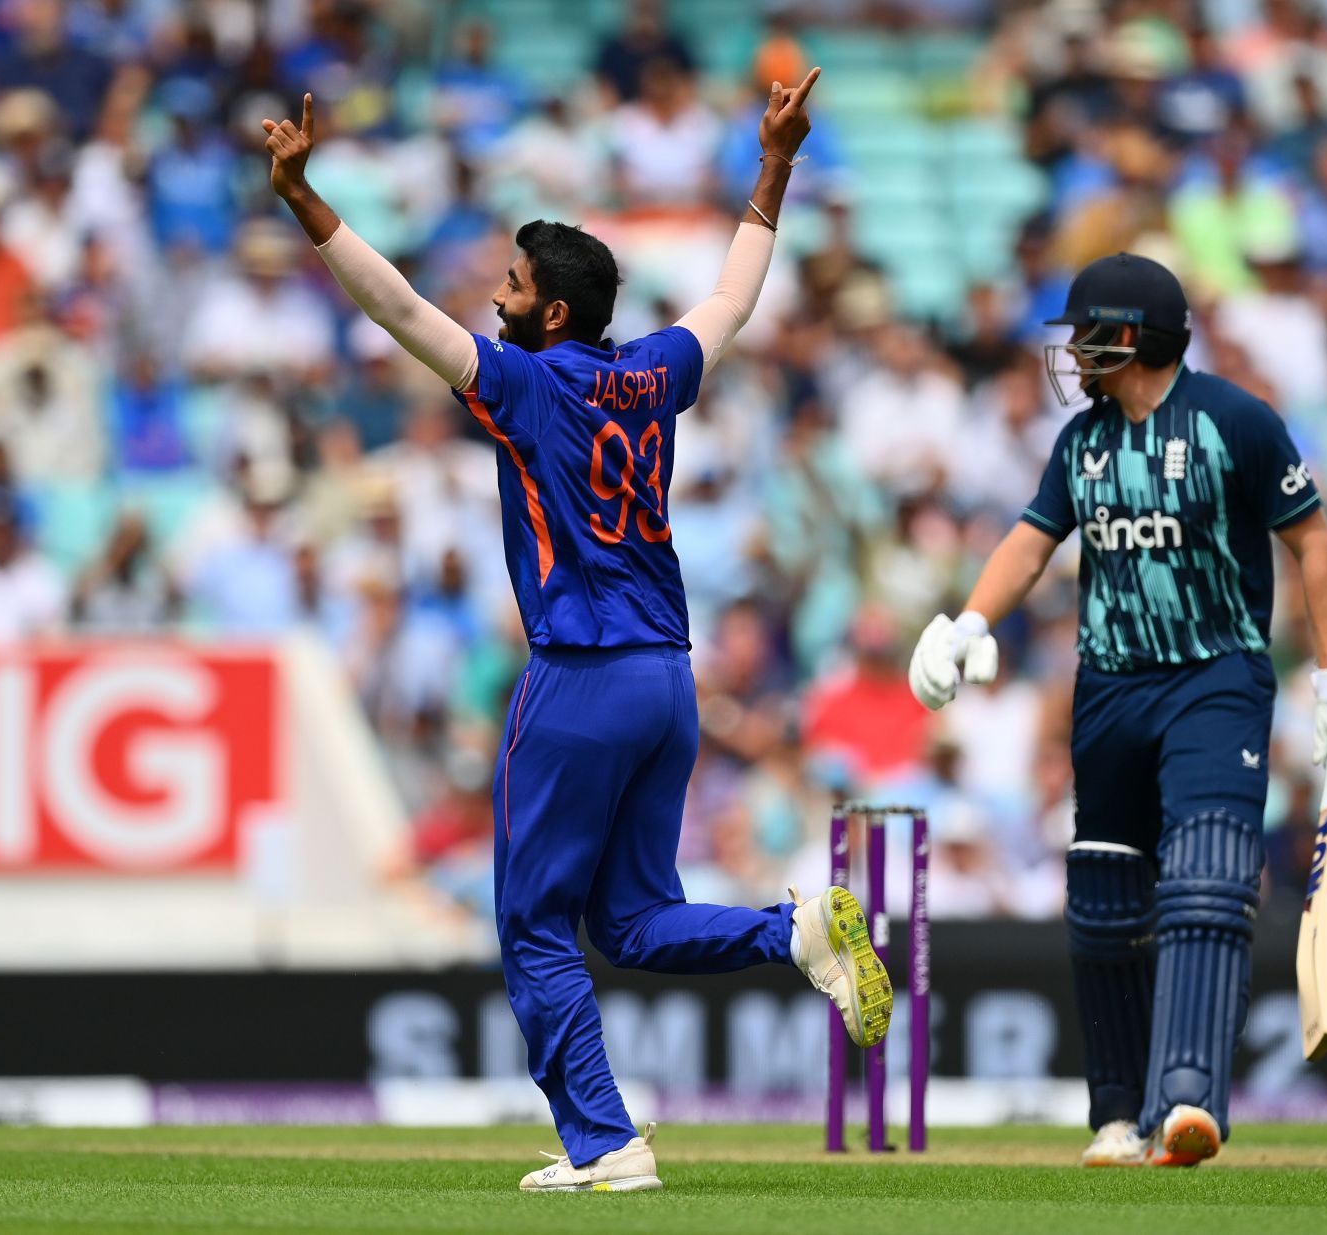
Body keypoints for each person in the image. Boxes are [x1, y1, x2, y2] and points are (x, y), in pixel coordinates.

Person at [263, 73, 890, 1193]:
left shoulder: (528, 384)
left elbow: (401, 311)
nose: (494, 295)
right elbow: (734, 301)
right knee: (636, 918)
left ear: (552, 311)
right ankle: (793, 935)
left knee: (533, 923)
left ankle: (604, 1141)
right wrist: (775, 165)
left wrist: (306, 202)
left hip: (580, 674)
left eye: (509, 284)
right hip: (668, 679)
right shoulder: (651, 373)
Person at [907, 253, 1327, 1167]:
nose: (1071, 351)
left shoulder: (1234, 420)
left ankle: (1188, 1098)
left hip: (1217, 677)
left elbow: (1312, 541)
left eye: (1084, 332)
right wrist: (968, 618)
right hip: (1111, 687)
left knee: (1205, 878)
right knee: (1103, 896)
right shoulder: (1081, 443)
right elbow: (1031, 538)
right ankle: (1117, 1114)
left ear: (1127, 336)